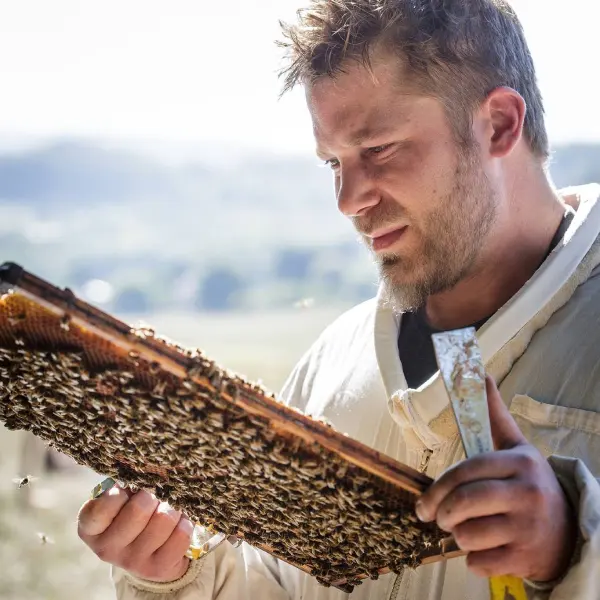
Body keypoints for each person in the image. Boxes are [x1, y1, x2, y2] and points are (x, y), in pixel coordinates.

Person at [77, 1, 600, 598]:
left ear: (500, 125)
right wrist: (177, 573)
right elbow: (279, 586)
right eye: (334, 162)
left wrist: (574, 549)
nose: (347, 199)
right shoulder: (332, 363)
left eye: (377, 149)